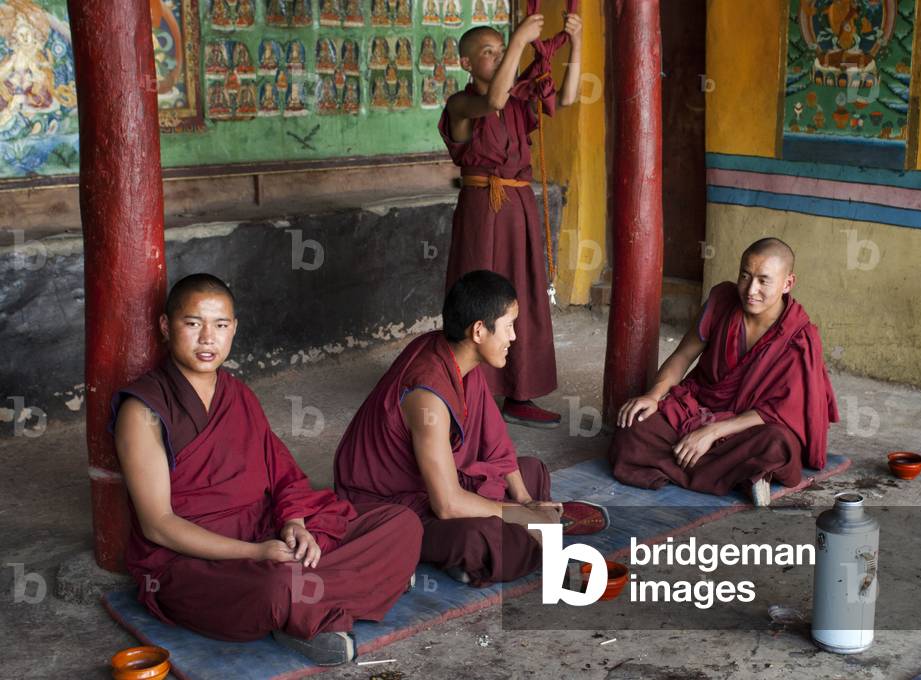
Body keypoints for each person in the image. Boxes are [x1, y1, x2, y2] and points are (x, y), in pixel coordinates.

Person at [112, 274, 421, 666]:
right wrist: (256, 552)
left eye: (220, 325)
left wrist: (294, 524)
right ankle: (353, 590)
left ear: (234, 329)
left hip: (266, 536)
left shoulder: (238, 395)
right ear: (165, 326)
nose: (208, 338)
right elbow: (158, 525)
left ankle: (317, 603)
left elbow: (283, 474)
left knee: (403, 524)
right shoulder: (143, 411)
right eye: (192, 324)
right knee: (276, 586)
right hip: (194, 562)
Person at [334, 270, 606, 587]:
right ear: (479, 331)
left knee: (531, 471)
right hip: (389, 504)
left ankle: (515, 538)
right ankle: (477, 551)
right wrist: (521, 516)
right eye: (508, 327)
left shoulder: (457, 358)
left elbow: (496, 446)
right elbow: (447, 504)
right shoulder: (427, 397)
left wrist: (525, 502)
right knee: (477, 537)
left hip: (437, 482)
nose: (513, 337)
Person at [608, 239, 839, 507]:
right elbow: (683, 356)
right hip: (698, 409)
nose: (751, 290)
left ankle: (693, 464)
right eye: (745, 276)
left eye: (764, 281)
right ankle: (740, 476)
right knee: (633, 427)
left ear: (788, 283)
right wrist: (653, 395)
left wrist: (712, 433)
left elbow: (780, 411)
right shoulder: (722, 301)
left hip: (747, 426)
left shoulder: (799, 336)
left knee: (779, 445)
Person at [439, 12, 582, 428]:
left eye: (503, 51)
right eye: (490, 52)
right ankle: (470, 392)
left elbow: (568, 98)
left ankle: (520, 394)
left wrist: (578, 46)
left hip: (518, 207)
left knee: (525, 295)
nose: (501, 58)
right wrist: (520, 38)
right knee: (479, 296)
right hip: (483, 207)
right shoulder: (462, 104)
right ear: (466, 63)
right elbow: (493, 100)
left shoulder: (520, 101)